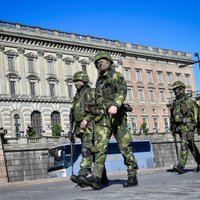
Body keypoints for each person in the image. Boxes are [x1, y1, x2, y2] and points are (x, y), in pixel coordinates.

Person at [80, 51, 138, 190]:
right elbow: (98, 102)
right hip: (103, 118)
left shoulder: (116, 76)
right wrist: (89, 117)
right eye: (97, 62)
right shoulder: (99, 82)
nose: (100, 63)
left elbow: (122, 91)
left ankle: (132, 176)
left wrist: (116, 104)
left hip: (117, 118)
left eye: (102, 61)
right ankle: (96, 178)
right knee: (99, 148)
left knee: (125, 147)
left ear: (109, 62)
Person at [69, 71, 108, 187]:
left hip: (90, 126)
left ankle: (83, 174)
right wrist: (71, 130)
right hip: (81, 129)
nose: (75, 83)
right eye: (74, 81)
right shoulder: (77, 96)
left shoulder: (90, 92)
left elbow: (97, 109)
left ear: (84, 81)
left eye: (77, 81)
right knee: (95, 153)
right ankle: (102, 178)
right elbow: (74, 114)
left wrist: (87, 119)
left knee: (87, 151)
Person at [170, 80, 200, 174]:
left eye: (178, 89)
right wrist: (172, 127)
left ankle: (181, 166)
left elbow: (197, 113)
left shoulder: (189, 100)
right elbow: (172, 116)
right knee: (191, 146)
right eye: (174, 90)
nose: (176, 92)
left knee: (184, 144)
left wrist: (198, 126)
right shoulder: (175, 102)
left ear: (183, 89)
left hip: (188, 126)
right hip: (179, 127)